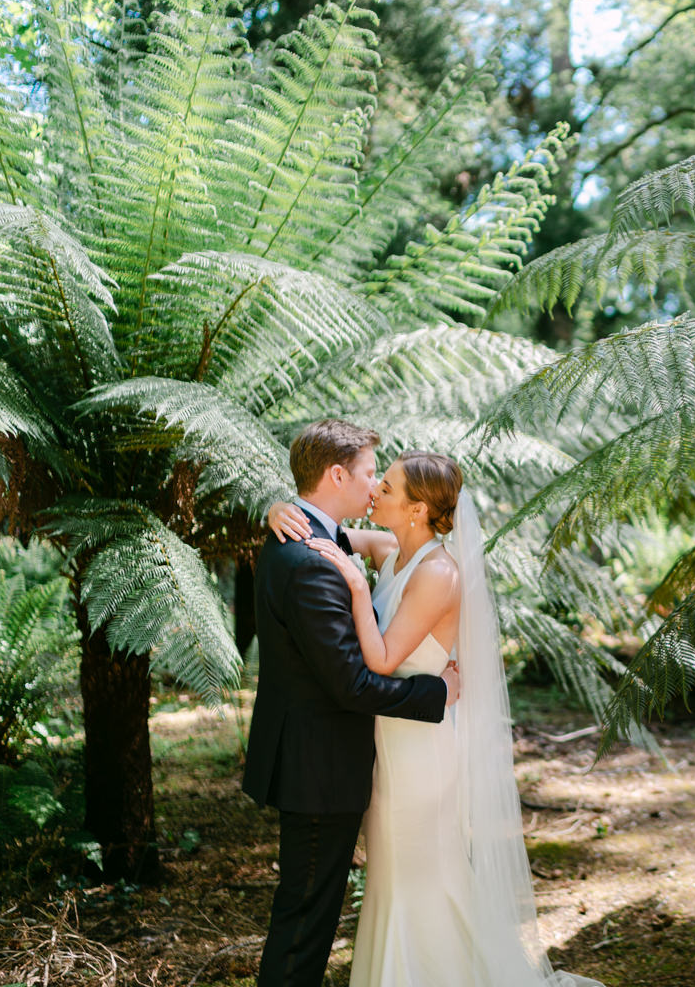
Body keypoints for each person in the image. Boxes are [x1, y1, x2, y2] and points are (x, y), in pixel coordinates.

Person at [267, 450, 602, 987]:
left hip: (420, 755)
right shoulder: (392, 550)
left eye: (390, 487)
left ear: (418, 510)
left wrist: (355, 588)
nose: (375, 489)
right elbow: (327, 534)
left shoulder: (438, 573)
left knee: (422, 877)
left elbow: (379, 660)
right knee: (392, 880)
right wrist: (279, 507)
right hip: (388, 744)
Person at [243, 420, 460, 987]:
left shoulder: (320, 540)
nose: (374, 489)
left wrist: (276, 508)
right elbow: (353, 684)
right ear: (337, 474)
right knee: (304, 923)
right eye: (371, 475)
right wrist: (435, 693)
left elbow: (376, 553)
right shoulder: (312, 558)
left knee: (307, 914)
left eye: (385, 483)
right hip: (320, 765)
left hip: (332, 760)